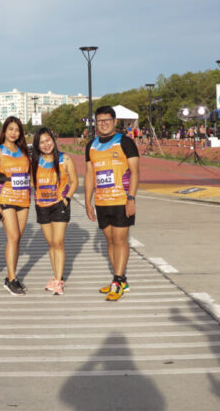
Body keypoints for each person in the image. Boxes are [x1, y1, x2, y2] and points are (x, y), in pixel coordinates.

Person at [84, 106, 140, 301]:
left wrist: (131, 198)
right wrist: (88, 202)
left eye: (107, 120)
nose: (104, 123)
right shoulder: (91, 145)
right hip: (101, 201)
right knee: (109, 240)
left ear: (114, 121)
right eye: (100, 121)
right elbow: (89, 175)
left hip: (121, 200)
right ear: (96, 123)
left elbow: (135, 172)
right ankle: (120, 280)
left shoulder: (125, 142)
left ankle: (117, 281)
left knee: (120, 240)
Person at [31, 127, 78, 295]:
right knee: (51, 243)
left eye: (48, 140)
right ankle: (55, 276)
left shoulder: (64, 159)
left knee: (58, 242)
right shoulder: (35, 162)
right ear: (37, 145)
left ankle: (59, 280)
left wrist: (66, 199)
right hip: (42, 206)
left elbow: (74, 182)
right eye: (42, 142)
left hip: (60, 205)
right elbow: (31, 183)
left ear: (53, 139)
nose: (46, 144)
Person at [0, 116, 31, 296]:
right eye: (11, 129)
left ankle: (12, 276)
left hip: (24, 199)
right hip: (6, 197)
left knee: (18, 238)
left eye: (17, 130)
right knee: (13, 237)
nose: (14, 133)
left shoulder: (23, 151)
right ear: (4, 131)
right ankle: (11, 279)